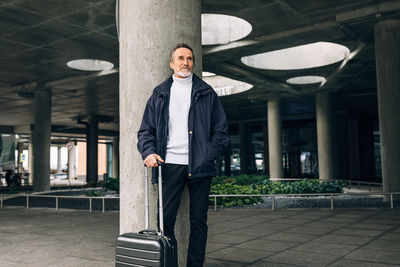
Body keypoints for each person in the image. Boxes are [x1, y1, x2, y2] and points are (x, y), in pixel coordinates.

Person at [137, 43, 229, 267]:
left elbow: (222, 131)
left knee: (198, 222)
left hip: (200, 165)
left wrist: (208, 153)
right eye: (180, 58)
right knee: (165, 221)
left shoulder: (207, 93)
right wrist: (148, 152)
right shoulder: (159, 94)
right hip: (169, 165)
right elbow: (145, 131)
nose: (185, 62)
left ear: (193, 63)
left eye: (189, 58)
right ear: (172, 63)